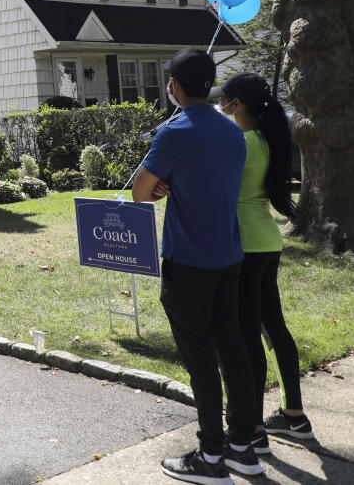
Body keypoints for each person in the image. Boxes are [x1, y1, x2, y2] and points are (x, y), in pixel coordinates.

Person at [132, 48, 261, 485]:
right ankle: (243, 446)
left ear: (174, 86)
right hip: (229, 255)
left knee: (199, 357)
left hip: (189, 260)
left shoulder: (175, 132)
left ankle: (210, 456)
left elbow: (140, 192)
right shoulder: (231, 130)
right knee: (233, 347)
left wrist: (163, 185)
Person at [212, 72, 314, 450]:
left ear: (237, 105)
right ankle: (293, 415)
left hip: (245, 244)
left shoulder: (242, 142)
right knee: (275, 327)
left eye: (225, 102)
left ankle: (251, 427)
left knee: (245, 338)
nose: (221, 107)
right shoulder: (269, 138)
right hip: (267, 240)